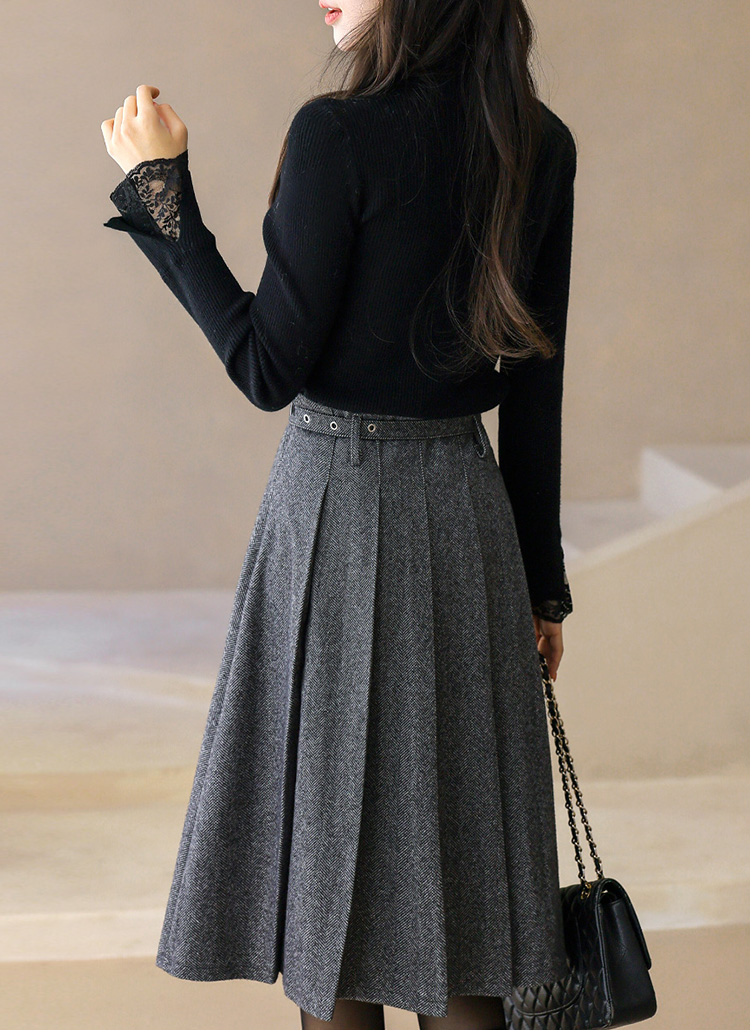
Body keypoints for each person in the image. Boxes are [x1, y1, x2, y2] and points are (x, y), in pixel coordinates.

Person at [100, 1, 577, 1027]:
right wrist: (543, 588)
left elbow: (266, 368)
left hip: (336, 515)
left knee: (338, 893)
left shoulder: (339, 134)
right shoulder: (538, 143)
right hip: (469, 524)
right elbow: (538, 390)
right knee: (466, 897)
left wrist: (158, 190)